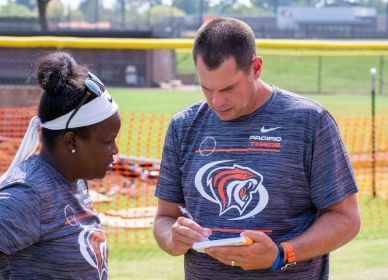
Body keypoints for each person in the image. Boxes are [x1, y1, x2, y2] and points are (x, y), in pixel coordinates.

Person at [153, 17, 360, 279]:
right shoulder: (183, 125)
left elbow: (346, 218)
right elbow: (164, 219)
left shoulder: (308, 121)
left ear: (256, 67)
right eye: (206, 88)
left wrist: (281, 254)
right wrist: (172, 238)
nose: (217, 101)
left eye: (228, 88)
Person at [0, 51, 120, 280]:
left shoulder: (75, 180)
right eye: (108, 141)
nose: (115, 150)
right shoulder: (29, 193)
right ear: (71, 140)